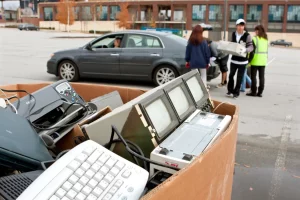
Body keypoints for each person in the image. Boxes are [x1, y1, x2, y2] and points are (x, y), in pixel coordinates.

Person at [227, 19, 254, 99]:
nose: (240, 27)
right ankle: (230, 90)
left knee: (239, 77)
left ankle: (236, 93)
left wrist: (246, 50)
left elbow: (251, 47)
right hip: (234, 60)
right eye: (239, 25)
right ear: (236, 26)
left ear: (244, 26)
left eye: (242, 26)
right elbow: (232, 44)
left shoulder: (247, 35)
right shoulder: (233, 34)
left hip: (243, 61)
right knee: (231, 75)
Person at [246, 25, 268, 97]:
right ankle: (260, 92)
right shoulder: (266, 40)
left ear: (258, 31)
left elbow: (251, 51)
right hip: (263, 61)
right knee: (261, 77)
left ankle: (254, 92)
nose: (255, 32)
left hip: (255, 60)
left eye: (256, 30)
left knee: (253, 77)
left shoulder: (255, 39)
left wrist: (249, 60)